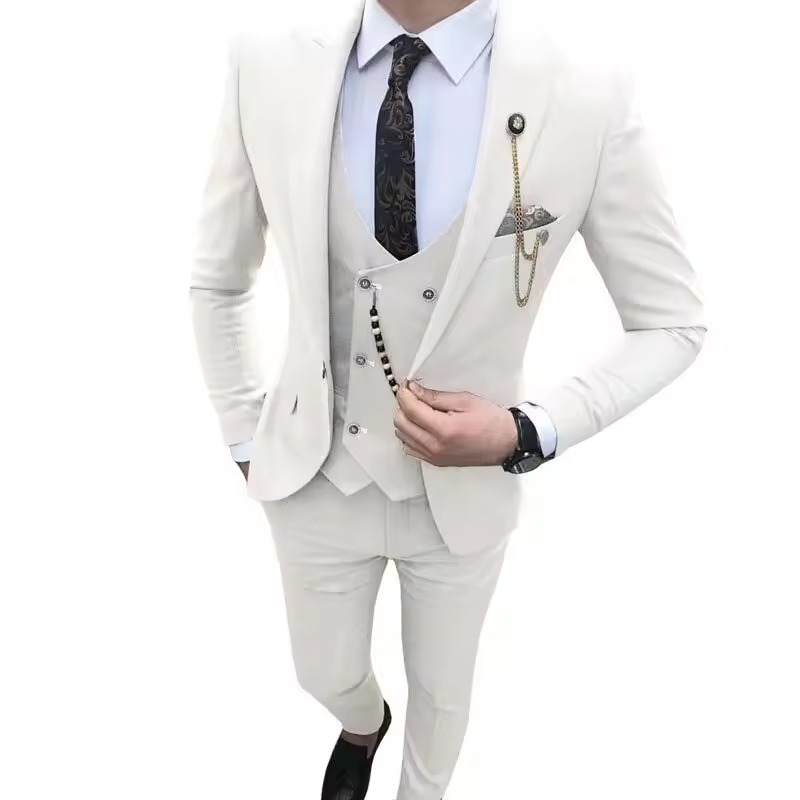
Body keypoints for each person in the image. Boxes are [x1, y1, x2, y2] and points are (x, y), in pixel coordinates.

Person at [189, 0, 707, 797]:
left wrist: (526, 429)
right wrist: (242, 434)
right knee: (323, 672)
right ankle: (361, 722)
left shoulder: (587, 92)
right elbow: (219, 279)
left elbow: (671, 321)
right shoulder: (265, 62)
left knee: (443, 698)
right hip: (312, 470)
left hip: (464, 495)